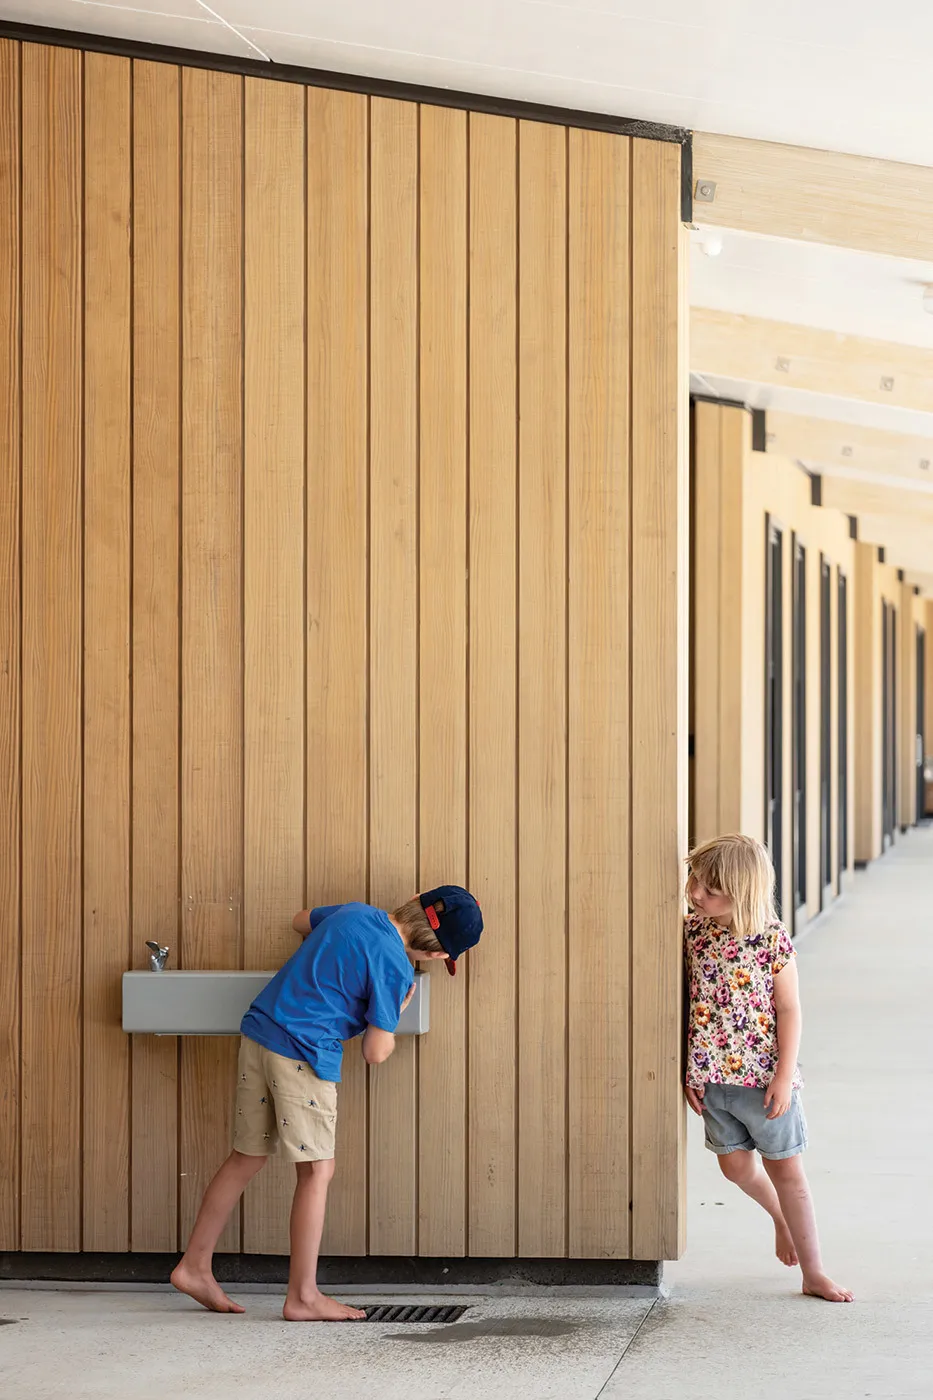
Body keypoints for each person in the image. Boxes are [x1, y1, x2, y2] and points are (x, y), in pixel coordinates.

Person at [171, 885, 483, 1321]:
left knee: (246, 1157)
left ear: (415, 897)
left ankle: (195, 1266)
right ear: (434, 956)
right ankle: (302, 1296)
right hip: (304, 1054)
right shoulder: (396, 968)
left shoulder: (356, 913)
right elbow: (375, 1052)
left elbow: (302, 919)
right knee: (317, 1170)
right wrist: (396, 1013)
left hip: (260, 1033)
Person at [683, 834, 852, 1303]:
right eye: (694, 879)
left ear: (744, 892)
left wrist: (783, 1075)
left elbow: (790, 1009)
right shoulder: (693, 931)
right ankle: (778, 1217)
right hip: (714, 1080)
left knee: (788, 1173)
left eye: (711, 889)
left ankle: (814, 1271)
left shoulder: (771, 939)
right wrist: (690, 1071)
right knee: (735, 1168)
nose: (696, 893)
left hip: (765, 1083)